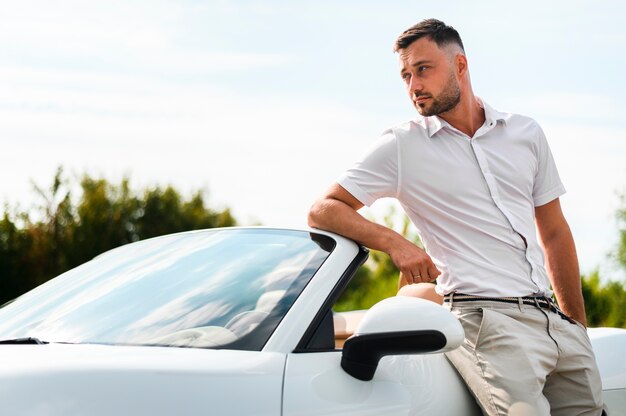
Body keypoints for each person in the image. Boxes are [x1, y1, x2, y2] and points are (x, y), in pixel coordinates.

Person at [308, 18, 605, 416]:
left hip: (553, 319)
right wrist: (397, 245)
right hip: (484, 322)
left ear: (460, 66)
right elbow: (323, 209)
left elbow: (553, 231)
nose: (413, 85)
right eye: (405, 75)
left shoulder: (525, 133)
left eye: (423, 69)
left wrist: (576, 327)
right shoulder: (402, 144)